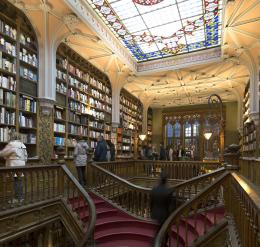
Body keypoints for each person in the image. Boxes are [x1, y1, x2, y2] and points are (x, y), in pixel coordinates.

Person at [0, 132, 28, 202]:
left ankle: (17, 198)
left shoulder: (12, 144)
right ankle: (20, 197)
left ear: (12, 137)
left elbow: (3, 153)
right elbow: (26, 155)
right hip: (22, 163)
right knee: (19, 180)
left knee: (15, 181)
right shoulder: (22, 144)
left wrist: (5, 156)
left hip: (14, 164)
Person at [150, 171, 173, 246]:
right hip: (165, 215)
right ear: (166, 180)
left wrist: (151, 212)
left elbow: (151, 202)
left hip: (155, 213)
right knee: (163, 233)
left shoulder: (154, 189)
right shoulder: (169, 191)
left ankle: (157, 243)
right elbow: (171, 206)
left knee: (159, 232)